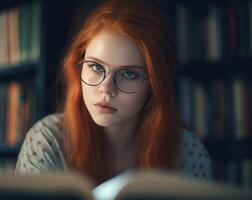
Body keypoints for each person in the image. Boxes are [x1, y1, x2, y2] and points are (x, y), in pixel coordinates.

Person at [15, 0, 211, 185]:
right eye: (96, 67)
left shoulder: (186, 152)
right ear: (78, 66)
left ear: (155, 83)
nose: (106, 89)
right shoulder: (47, 140)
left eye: (128, 74)